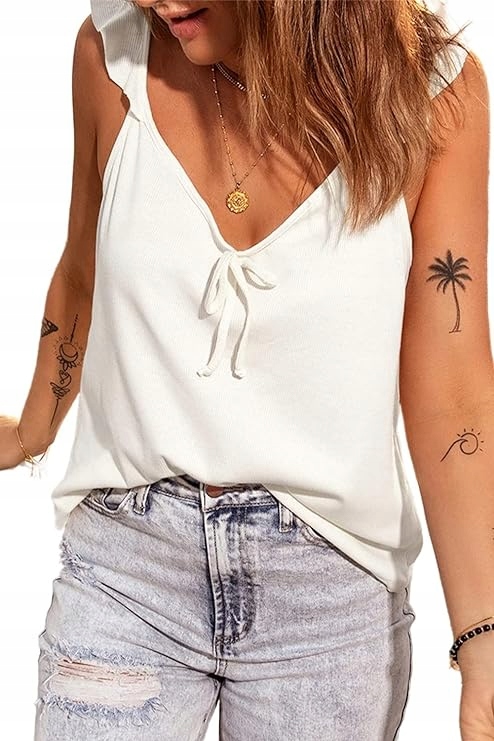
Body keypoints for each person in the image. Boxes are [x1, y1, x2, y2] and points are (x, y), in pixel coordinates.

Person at [0, 0, 492, 738]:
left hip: (329, 598)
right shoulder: (114, 54)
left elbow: (452, 385)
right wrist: (32, 430)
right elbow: (81, 269)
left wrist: (482, 638)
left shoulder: (432, 92)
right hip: (128, 569)